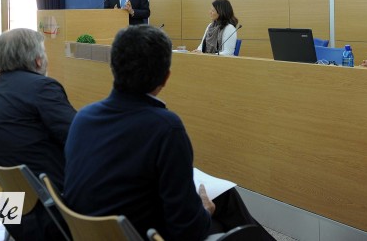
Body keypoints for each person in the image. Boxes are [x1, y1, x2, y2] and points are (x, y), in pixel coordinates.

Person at [63, 25, 274, 240]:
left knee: (226, 197)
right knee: (233, 226)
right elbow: (189, 229)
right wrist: (205, 211)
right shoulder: (166, 128)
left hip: (91, 233)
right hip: (144, 234)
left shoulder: (83, 118)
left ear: (113, 67)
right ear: (165, 78)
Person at [0, 28, 75, 241]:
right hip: (51, 199)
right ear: (38, 60)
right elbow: (78, 138)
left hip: (16, 197)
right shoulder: (43, 87)